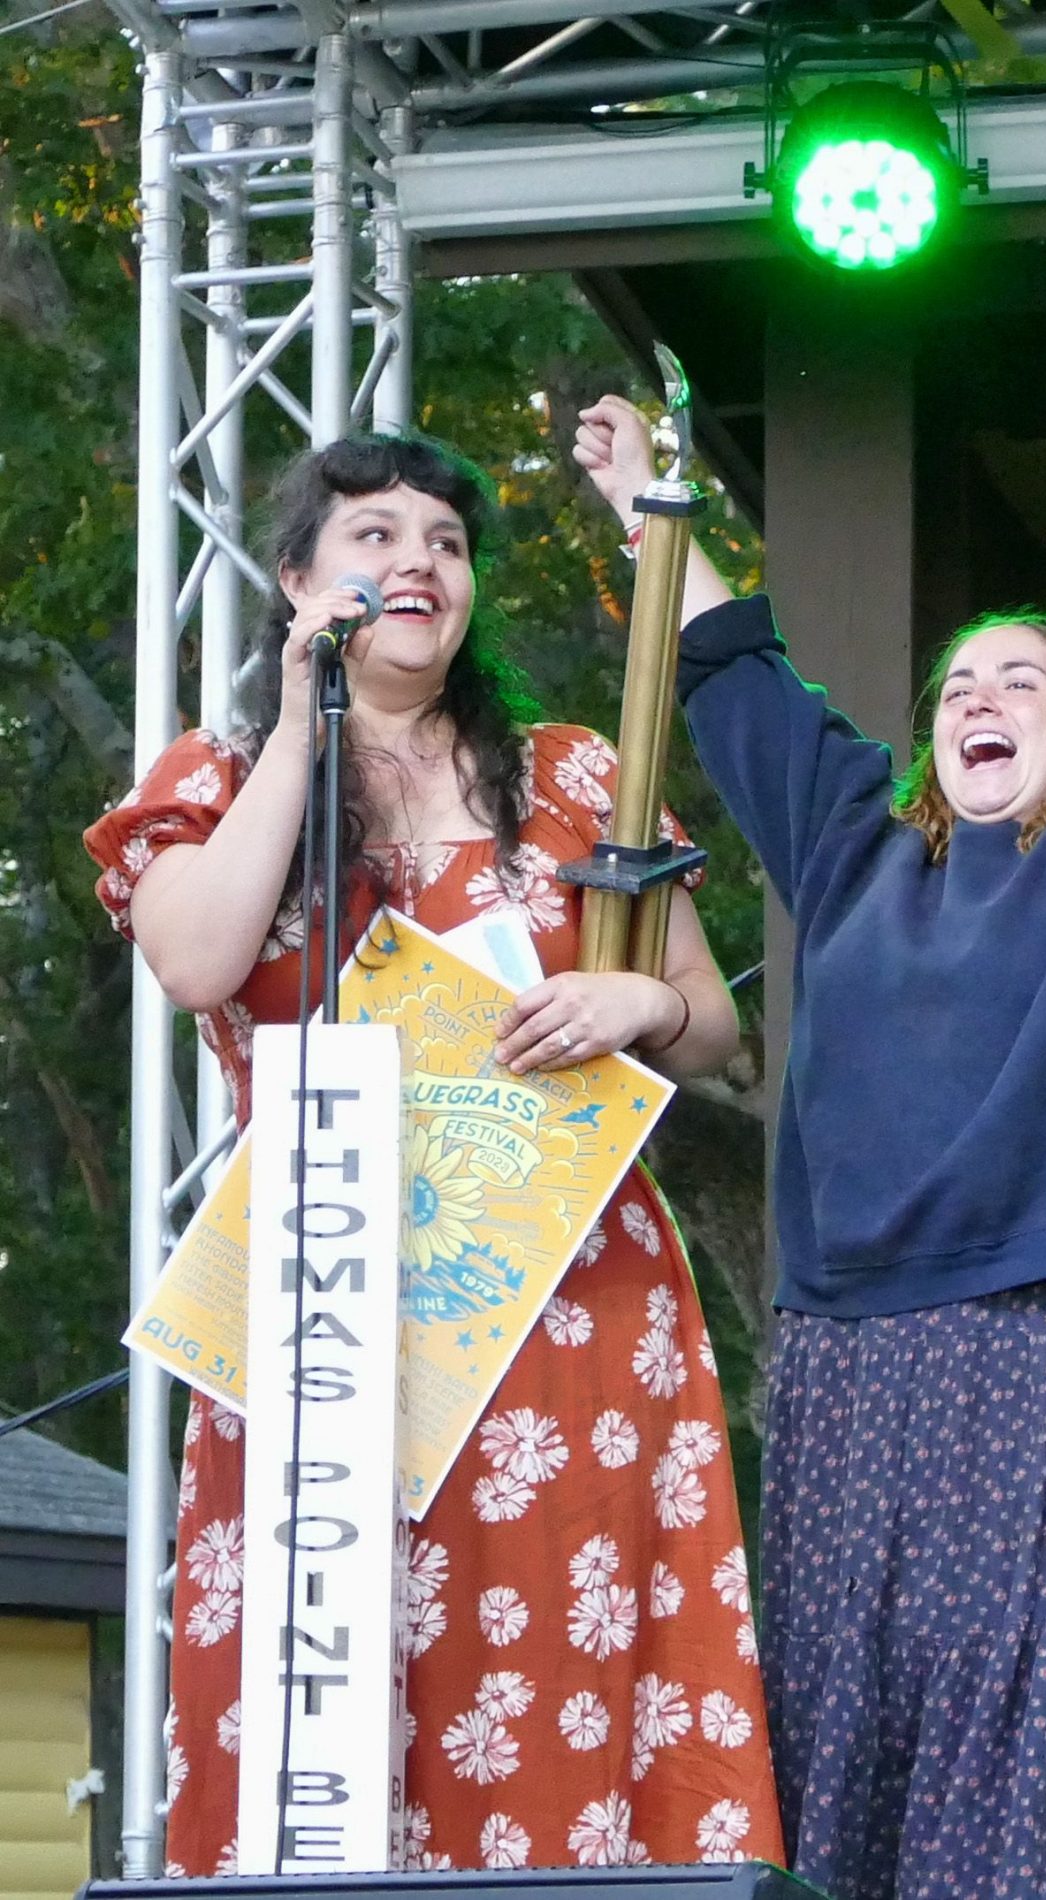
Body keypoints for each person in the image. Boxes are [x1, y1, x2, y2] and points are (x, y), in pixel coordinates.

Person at [575, 305, 1046, 1900]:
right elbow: (743, 688)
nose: (981, 695)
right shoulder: (858, 854)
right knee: (849, 1719)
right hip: (850, 1350)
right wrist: (649, 517)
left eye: (1023, 680)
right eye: (961, 681)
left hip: (1042, 1335)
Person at [84, 433, 782, 1875]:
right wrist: (297, 724)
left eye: (448, 543)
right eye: (376, 536)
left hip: (568, 1308)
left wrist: (640, 998)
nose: (418, 562)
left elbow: (717, 1025)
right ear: (297, 582)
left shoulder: (580, 772)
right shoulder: (214, 775)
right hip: (321, 1306)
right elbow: (205, 961)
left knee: (563, 1682)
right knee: (326, 1700)